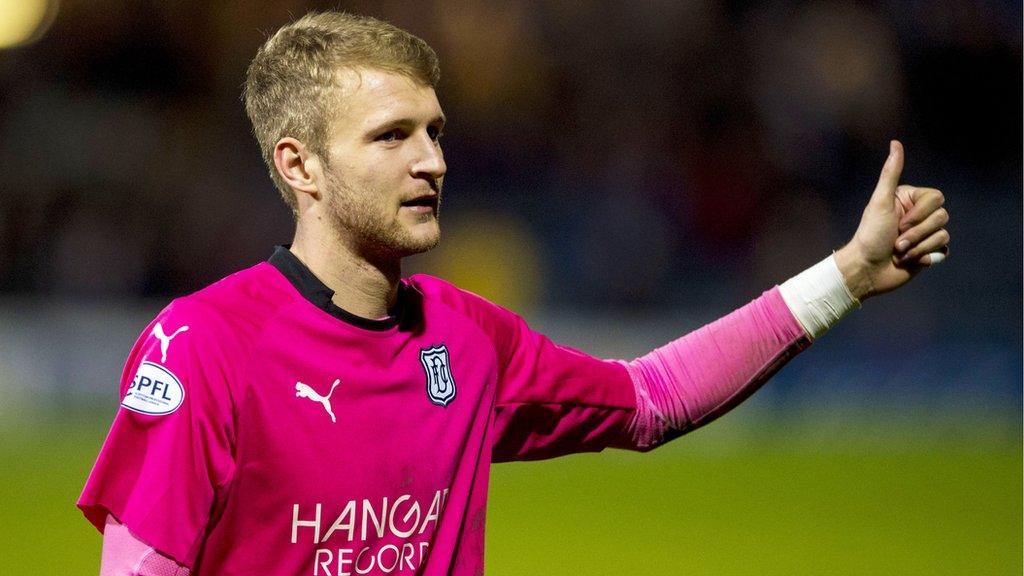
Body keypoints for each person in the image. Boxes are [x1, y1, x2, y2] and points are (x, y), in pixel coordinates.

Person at [78, 11, 950, 576]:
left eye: (435, 131)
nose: (433, 161)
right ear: (299, 165)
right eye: (393, 136)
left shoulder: (466, 339)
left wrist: (846, 277)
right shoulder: (205, 345)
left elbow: (649, 399)